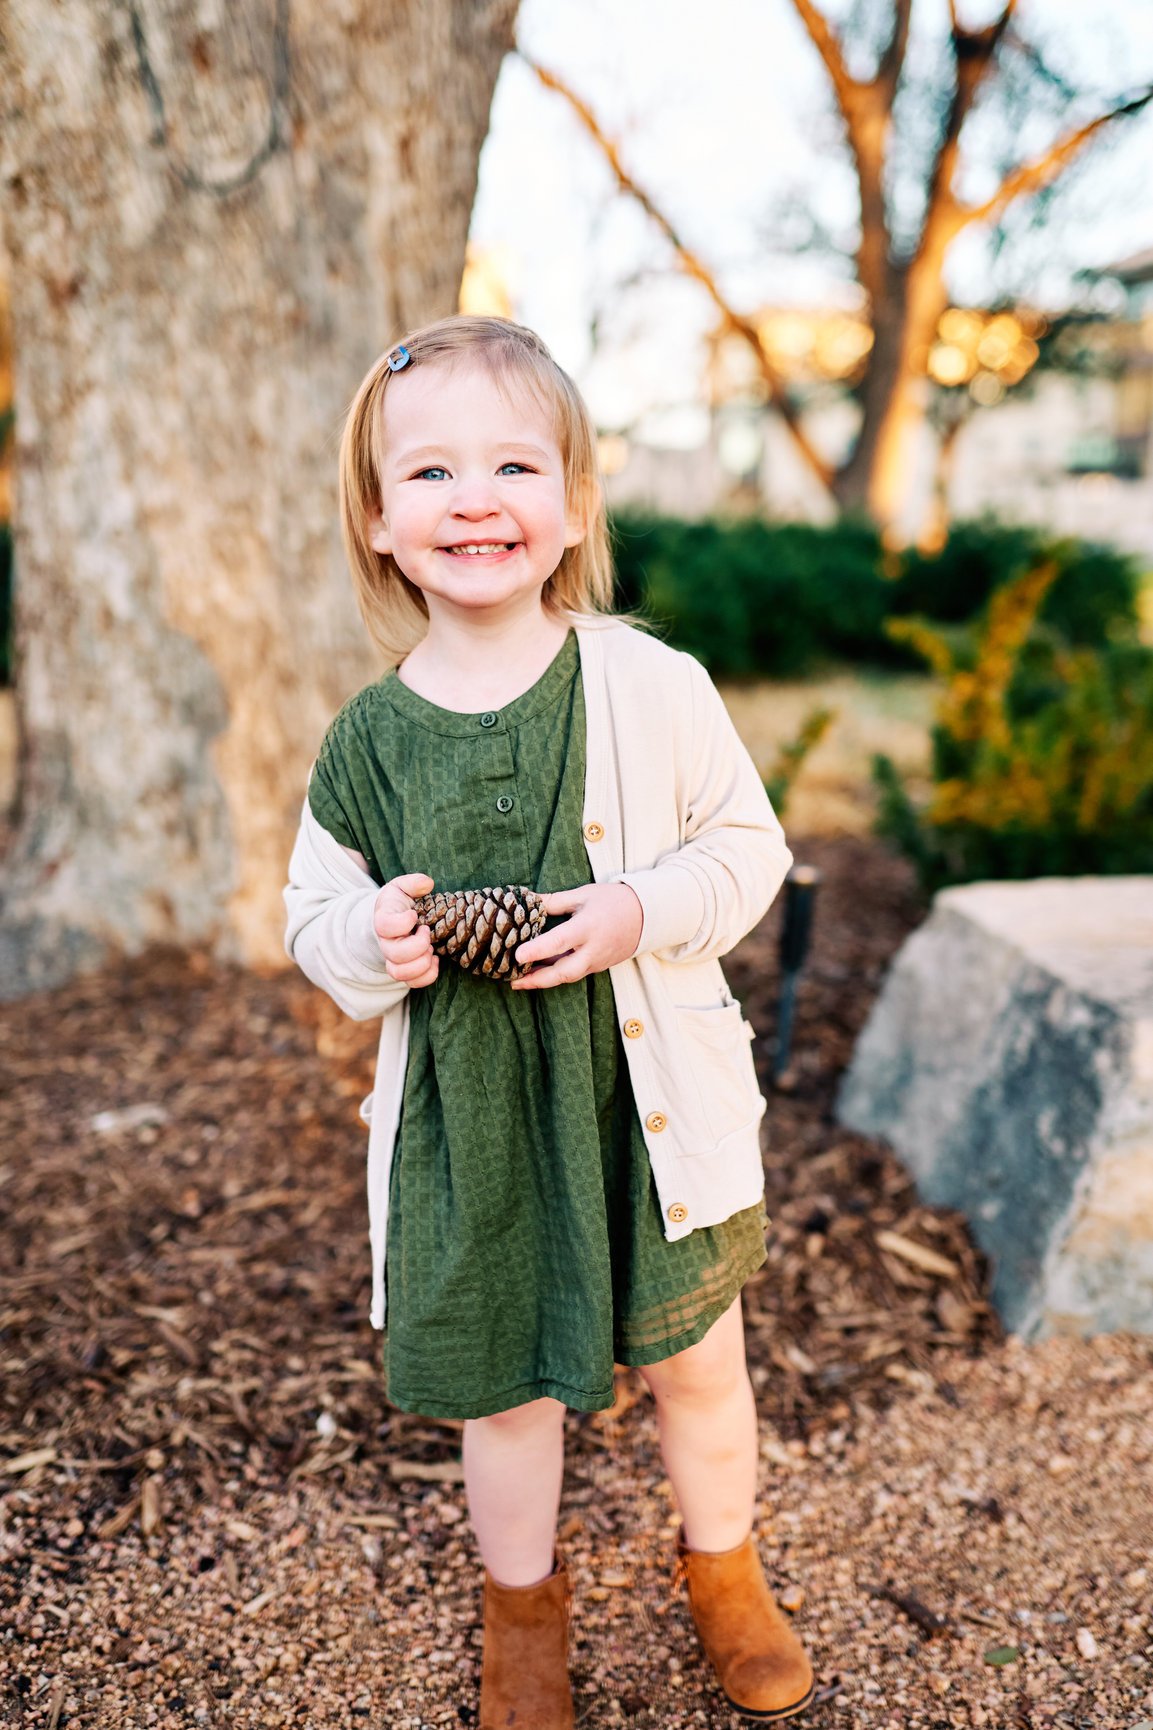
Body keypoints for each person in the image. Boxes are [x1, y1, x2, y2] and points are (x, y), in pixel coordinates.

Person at [283, 314, 815, 1727]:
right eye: (432, 473)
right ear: (381, 521)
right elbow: (309, 913)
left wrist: (637, 908)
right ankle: (522, 1609)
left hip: (638, 1106)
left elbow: (745, 846)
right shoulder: (367, 739)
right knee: (506, 1393)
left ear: (572, 505)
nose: (476, 497)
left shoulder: (649, 684)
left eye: (516, 463)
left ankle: (723, 1565)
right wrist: (373, 934)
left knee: (698, 1358)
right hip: (478, 1124)